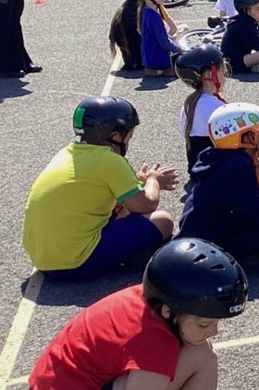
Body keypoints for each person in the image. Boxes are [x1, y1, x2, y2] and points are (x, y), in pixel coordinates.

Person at [25, 238, 257, 390]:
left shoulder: (151, 301)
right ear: (169, 312)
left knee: (191, 354)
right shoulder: (154, 342)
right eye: (204, 323)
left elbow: (169, 380)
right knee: (201, 356)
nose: (214, 331)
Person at [22, 96, 177, 280]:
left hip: (43, 261)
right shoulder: (110, 160)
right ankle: (134, 257)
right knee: (163, 220)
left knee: (123, 209)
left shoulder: (66, 154)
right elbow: (145, 205)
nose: (128, 142)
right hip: (77, 262)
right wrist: (153, 180)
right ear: (115, 136)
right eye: (129, 136)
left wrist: (137, 183)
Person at [177, 102, 259, 268]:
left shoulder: (238, 160)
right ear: (247, 137)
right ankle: (243, 260)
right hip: (206, 243)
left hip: (220, 228)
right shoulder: (236, 167)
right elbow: (257, 214)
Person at [176, 44, 259, 174]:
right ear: (210, 74)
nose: (225, 73)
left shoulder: (189, 103)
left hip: (196, 167)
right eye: (222, 70)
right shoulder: (215, 106)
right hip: (220, 168)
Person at [134, 0, 181, 77]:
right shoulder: (154, 16)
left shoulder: (145, 12)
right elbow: (164, 42)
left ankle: (154, 70)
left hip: (149, 59)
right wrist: (180, 49)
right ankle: (161, 71)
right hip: (159, 59)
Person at [108, 0, 143, 71]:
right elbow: (130, 38)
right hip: (130, 47)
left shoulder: (129, 6)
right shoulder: (129, 12)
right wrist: (137, 60)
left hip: (128, 47)